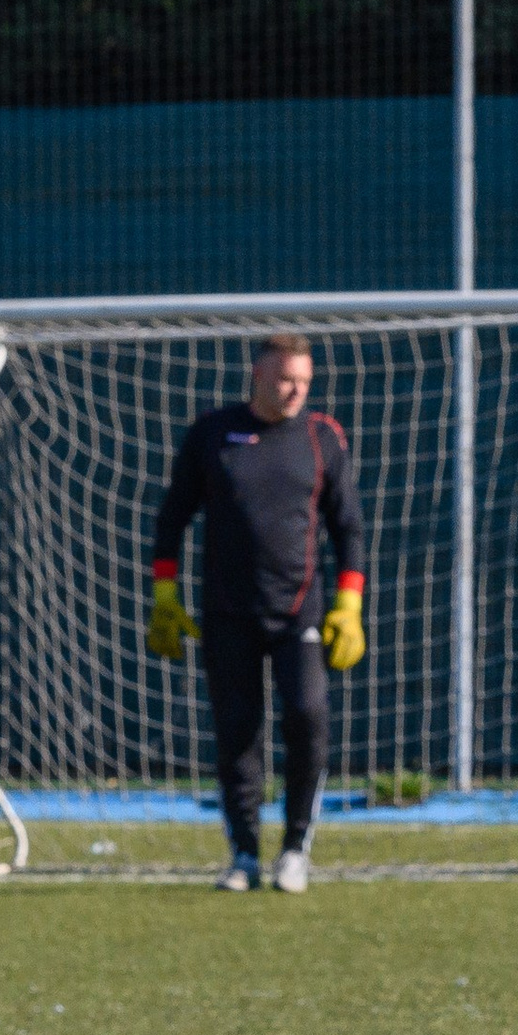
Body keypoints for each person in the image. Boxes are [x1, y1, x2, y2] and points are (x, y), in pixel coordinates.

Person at [148, 334, 367, 893]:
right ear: (259, 377)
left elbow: (348, 529)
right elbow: (172, 517)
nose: (294, 390)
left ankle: (295, 849)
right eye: (285, 379)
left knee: (308, 718)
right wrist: (165, 595)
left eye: (304, 382)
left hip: (301, 614)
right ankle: (244, 854)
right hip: (227, 612)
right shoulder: (213, 434)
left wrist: (350, 604)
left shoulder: (322, 438)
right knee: (238, 732)